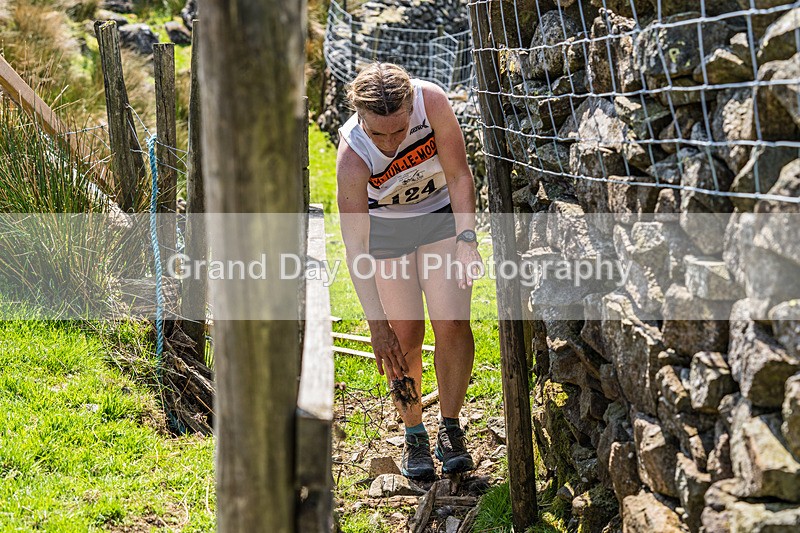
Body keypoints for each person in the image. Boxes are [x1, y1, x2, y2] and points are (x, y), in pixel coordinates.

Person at [336, 62, 482, 480]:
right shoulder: (352, 156)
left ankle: (451, 427)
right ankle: (414, 431)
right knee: (404, 338)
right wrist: (375, 324)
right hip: (387, 234)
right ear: (360, 117)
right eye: (379, 133)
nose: (391, 142)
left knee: (453, 323)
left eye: (399, 130)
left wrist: (466, 239)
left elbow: (458, 174)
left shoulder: (431, 102)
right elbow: (356, 248)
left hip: (438, 219)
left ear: (410, 105)